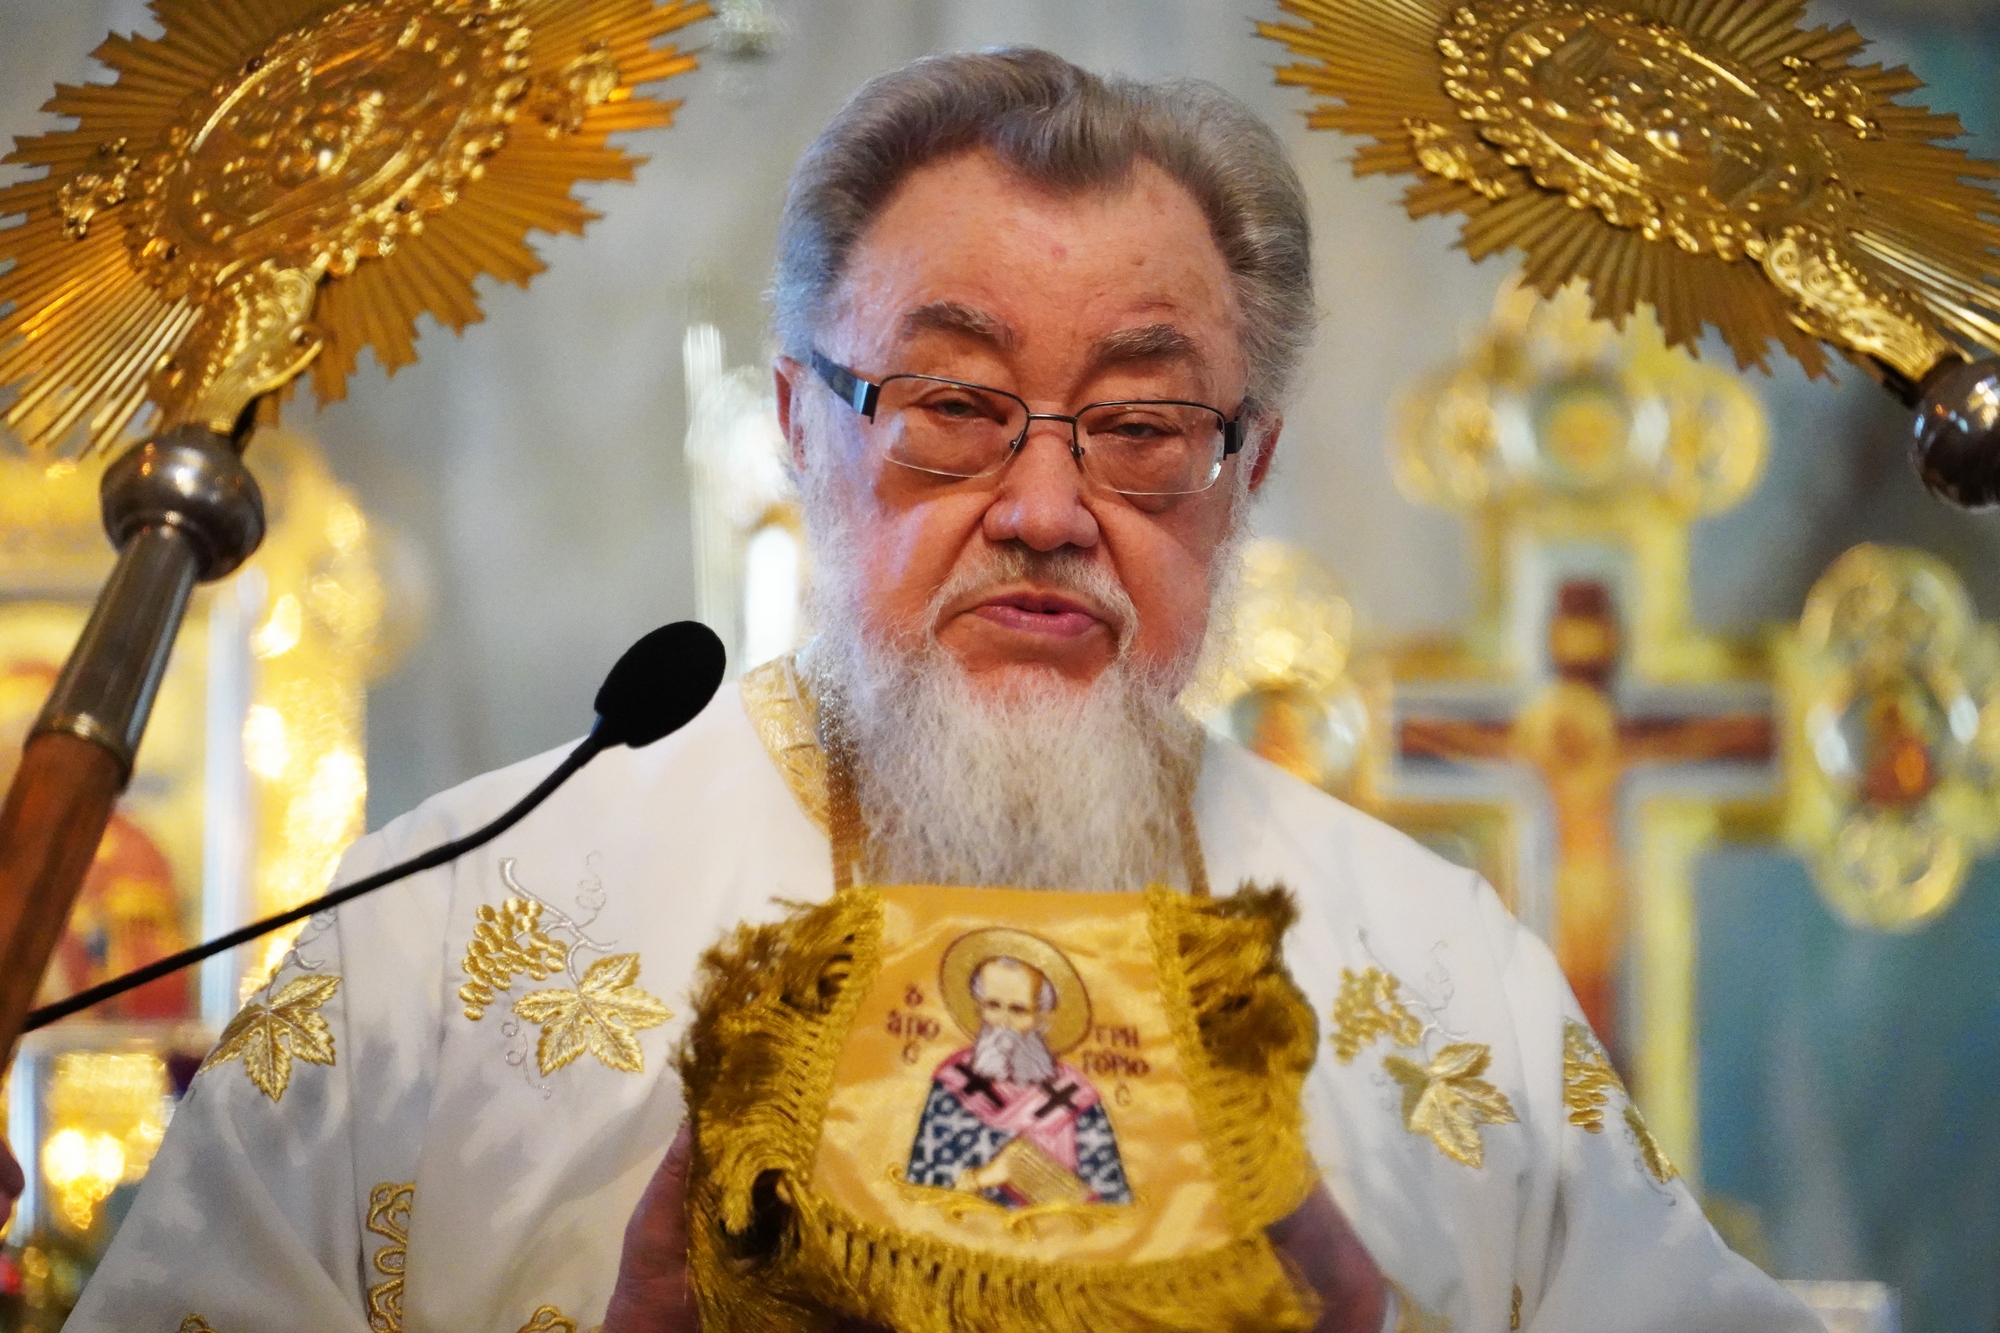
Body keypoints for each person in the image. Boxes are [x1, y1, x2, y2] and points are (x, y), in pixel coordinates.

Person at [63, 48, 1817, 1333]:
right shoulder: (439, 946)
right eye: (953, 407)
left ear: (1248, 464)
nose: (1047, 511)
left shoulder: (1440, 987)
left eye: (1140, 428)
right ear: (798, 425)